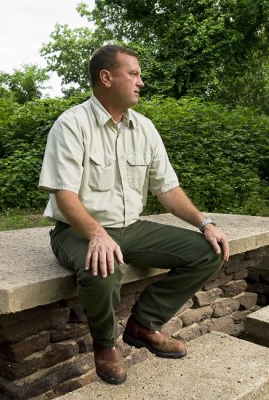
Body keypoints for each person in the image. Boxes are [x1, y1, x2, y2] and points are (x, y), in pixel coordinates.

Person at [39, 45, 229, 385]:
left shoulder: (145, 128)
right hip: (77, 230)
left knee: (208, 250)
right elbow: (64, 194)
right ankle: (105, 343)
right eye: (134, 74)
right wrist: (97, 233)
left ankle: (144, 325)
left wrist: (205, 223)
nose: (141, 81)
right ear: (106, 77)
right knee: (102, 268)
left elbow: (167, 190)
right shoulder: (71, 124)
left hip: (131, 227)